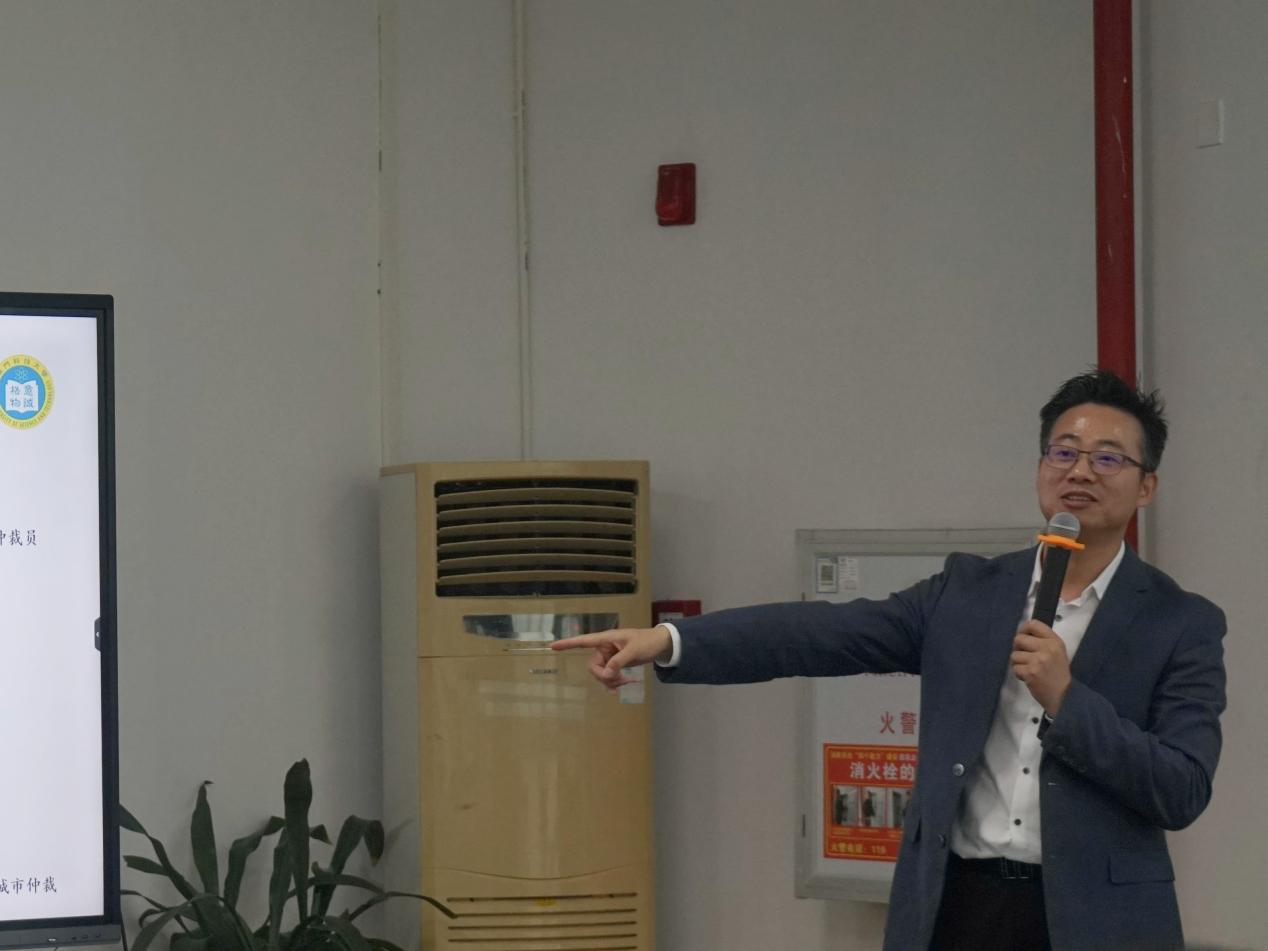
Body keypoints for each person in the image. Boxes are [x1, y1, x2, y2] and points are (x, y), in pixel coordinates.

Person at [552, 370, 1226, 951]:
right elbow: (821, 633)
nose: (1079, 471)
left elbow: (1181, 787)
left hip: (1096, 920)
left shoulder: (1181, 622)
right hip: (954, 903)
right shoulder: (969, 592)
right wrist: (671, 640)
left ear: (1146, 487)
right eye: (1064, 451)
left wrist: (1066, 698)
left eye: (1108, 458)